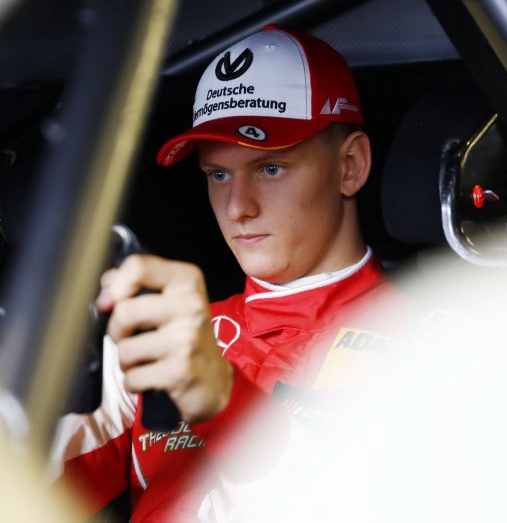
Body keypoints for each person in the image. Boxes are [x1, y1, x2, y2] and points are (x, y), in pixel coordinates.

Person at [50, 27, 408, 522]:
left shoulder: (433, 345)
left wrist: (225, 401)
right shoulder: (176, 338)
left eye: (270, 168)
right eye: (218, 174)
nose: (238, 207)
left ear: (350, 165)